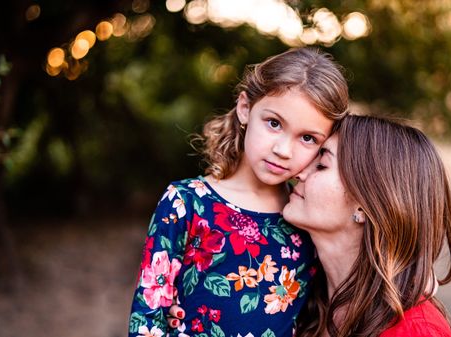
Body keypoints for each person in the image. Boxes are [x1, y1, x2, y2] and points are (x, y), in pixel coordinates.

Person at [127, 48, 350, 337]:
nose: (283, 150)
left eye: (307, 138)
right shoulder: (186, 203)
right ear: (245, 108)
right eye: (274, 123)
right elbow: (146, 320)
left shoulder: (307, 218)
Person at [282, 115, 451, 337]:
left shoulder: (415, 331)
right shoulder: (300, 292)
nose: (299, 173)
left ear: (364, 207)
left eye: (321, 165)